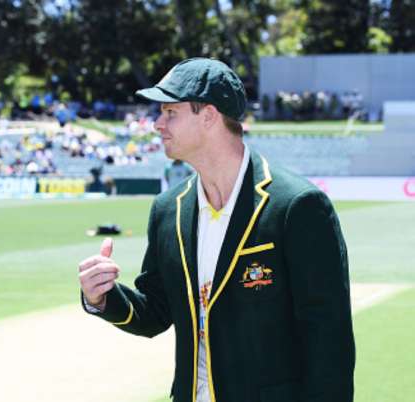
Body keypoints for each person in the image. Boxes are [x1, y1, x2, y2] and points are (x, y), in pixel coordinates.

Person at [78, 58, 355, 402]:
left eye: (169, 112)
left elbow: (329, 339)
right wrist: (102, 297)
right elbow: (156, 312)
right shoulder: (168, 209)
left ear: (208, 116)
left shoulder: (298, 206)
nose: (157, 124)